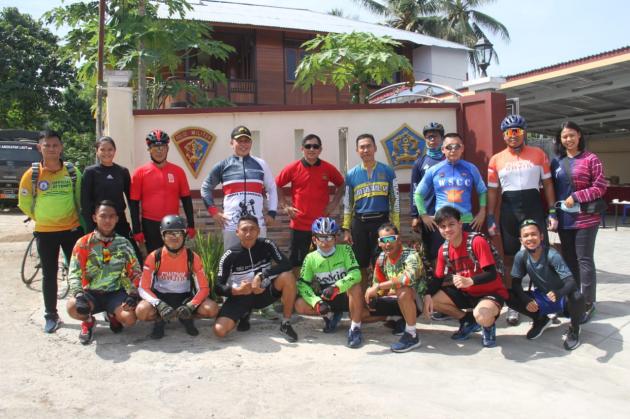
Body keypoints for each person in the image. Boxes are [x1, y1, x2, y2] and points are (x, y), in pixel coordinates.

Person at [487, 114, 557, 326]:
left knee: (540, 257)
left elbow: (548, 185)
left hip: (533, 206)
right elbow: (492, 191)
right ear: (504, 135)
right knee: (509, 259)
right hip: (509, 209)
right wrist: (491, 216)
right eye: (509, 132)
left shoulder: (538, 154)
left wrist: (553, 211)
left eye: (517, 131)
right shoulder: (496, 159)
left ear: (524, 132)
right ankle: (514, 304)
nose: (513, 136)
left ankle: (546, 301)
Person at [18, 130, 84, 333]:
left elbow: (80, 200)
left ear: (61, 147)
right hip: (45, 232)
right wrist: (42, 218)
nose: (52, 149)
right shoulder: (32, 174)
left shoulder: (72, 172)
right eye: (47, 145)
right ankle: (51, 315)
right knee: (49, 273)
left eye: (55, 145)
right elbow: (24, 202)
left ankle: (84, 309)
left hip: (72, 229)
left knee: (80, 271)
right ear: (40, 148)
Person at [425, 206, 508, 348]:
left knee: (482, 315)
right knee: (434, 301)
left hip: (490, 293)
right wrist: (426, 295)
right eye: (442, 226)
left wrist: (470, 281)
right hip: (467, 293)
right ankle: (468, 320)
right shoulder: (443, 250)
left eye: (451, 224)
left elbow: (491, 274)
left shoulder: (476, 241)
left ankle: (487, 327)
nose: (447, 230)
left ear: (460, 224)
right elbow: (438, 278)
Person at [551, 121, 607, 324]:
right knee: (569, 261)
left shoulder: (591, 159)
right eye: (564, 136)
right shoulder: (557, 162)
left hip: (586, 219)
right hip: (565, 220)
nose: (568, 139)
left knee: (584, 260)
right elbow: (553, 190)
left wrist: (577, 196)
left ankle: (588, 302)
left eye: (572, 135)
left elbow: (600, 186)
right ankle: (573, 298)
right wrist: (552, 214)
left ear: (580, 136)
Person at [66, 200, 141, 345]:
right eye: (103, 216)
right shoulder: (83, 243)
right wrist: (79, 294)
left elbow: (135, 271)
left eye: (112, 216)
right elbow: (74, 272)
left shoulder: (123, 243)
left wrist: (133, 293)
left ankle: (112, 315)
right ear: (95, 217)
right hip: (91, 294)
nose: (107, 220)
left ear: (117, 219)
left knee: (130, 319)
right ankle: (88, 322)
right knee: (72, 307)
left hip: (115, 293)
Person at [213, 215, 298, 342]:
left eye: (252, 229)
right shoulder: (230, 254)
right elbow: (218, 286)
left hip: (263, 292)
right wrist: (237, 291)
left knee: (288, 277)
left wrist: (262, 276)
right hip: (241, 296)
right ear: (237, 232)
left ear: (258, 231)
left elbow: (286, 264)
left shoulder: (267, 244)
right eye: (244, 229)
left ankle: (285, 323)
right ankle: (244, 314)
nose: (248, 233)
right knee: (220, 330)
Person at [135, 215, 218, 339]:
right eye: (169, 234)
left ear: (184, 235)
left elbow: (204, 288)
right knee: (141, 311)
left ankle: (186, 318)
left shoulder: (192, 257)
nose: (174, 238)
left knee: (212, 309)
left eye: (178, 234)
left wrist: (191, 305)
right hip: (161, 297)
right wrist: (159, 304)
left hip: (185, 298)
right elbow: (143, 288)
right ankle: (160, 321)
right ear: (163, 236)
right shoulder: (154, 257)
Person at [507, 219, 585, 350]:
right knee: (508, 295)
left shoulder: (552, 255)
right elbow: (515, 284)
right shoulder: (521, 256)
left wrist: (558, 293)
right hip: (542, 298)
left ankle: (575, 328)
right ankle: (540, 320)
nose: (530, 238)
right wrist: (526, 300)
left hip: (561, 298)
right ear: (521, 240)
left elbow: (571, 282)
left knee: (577, 297)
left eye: (534, 234)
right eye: (526, 236)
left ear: (541, 236)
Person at [276, 134, 345, 276]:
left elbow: (342, 184)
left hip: (321, 226)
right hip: (299, 224)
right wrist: (285, 205)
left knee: (323, 261)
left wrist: (334, 203)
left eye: (315, 146)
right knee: (297, 263)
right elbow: (276, 184)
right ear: (302, 149)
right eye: (308, 146)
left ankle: (322, 293)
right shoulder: (293, 168)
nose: (311, 149)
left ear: (320, 149)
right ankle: (298, 294)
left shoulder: (327, 168)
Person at [201, 125, 278, 250]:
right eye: (239, 141)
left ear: (251, 143)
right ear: (231, 143)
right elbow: (205, 188)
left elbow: (271, 188)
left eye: (246, 141)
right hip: (232, 225)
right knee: (232, 261)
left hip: (257, 223)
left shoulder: (261, 164)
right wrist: (214, 213)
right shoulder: (223, 165)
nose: (243, 144)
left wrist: (272, 212)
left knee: (260, 262)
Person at [294, 217, 363, 348]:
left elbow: (356, 274)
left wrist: (336, 287)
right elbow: (302, 284)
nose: (325, 242)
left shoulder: (346, 250)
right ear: (314, 239)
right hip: (326, 298)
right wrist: (316, 302)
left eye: (329, 237)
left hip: (345, 295)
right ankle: (331, 316)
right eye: (321, 237)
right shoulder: (310, 258)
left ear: (335, 238)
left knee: (356, 288)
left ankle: (355, 329)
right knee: (299, 304)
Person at [343, 133, 400, 290]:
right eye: (362, 147)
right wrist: (346, 229)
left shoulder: (388, 171)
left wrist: (396, 227)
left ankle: (380, 297)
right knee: (359, 263)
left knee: (381, 261)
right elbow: (348, 203)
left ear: (375, 148)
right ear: (357, 150)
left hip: (381, 223)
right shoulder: (351, 174)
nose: (365, 150)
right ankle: (361, 298)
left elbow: (395, 201)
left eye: (368, 146)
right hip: (359, 223)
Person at [129, 129, 196, 254]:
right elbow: (133, 204)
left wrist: (191, 225)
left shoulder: (178, 171)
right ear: (149, 149)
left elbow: (186, 200)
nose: (159, 151)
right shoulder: (140, 173)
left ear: (167, 149)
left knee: (174, 258)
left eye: (162, 147)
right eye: (155, 147)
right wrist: (137, 230)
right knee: (154, 258)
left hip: (174, 223)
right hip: (150, 224)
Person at [364, 223, 427, 352]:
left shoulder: (410, 255)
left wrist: (379, 286)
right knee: (361, 313)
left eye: (391, 239)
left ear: (398, 239)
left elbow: (407, 278)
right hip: (394, 299)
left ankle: (412, 335)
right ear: (379, 243)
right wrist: (372, 297)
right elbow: (378, 285)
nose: (387, 244)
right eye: (383, 240)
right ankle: (396, 318)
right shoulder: (381, 259)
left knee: (402, 290)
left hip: (415, 301)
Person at [414, 132, 487, 233]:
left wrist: (482, 213)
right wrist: (423, 215)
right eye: (449, 147)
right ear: (443, 149)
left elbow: (482, 191)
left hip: (465, 222)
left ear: (462, 148)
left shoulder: (471, 168)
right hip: (443, 224)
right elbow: (418, 194)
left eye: (457, 146)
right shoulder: (434, 170)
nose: (453, 150)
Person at [81, 136, 140, 259]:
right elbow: (85, 203)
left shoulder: (122, 171)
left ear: (115, 151)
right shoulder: (90, 172)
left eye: (110, 149)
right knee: (104, 259)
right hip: (99, 224)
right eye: (102, 149)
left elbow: (131, 201)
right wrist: (90, 230)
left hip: (119, 221)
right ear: (97, 151)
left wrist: (136, 227)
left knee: (135, 257)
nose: (106, 153)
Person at [410, 122, 446, 261]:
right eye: (429, 137)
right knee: (433, 253)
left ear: (442, 138)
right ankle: (436, 281)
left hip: (449, 212)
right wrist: (415, 215)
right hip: (428, 215)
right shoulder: (420, 162)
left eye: (435, 136)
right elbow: (414, 188)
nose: (432, 140)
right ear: (425, 140)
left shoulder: (449, 159)